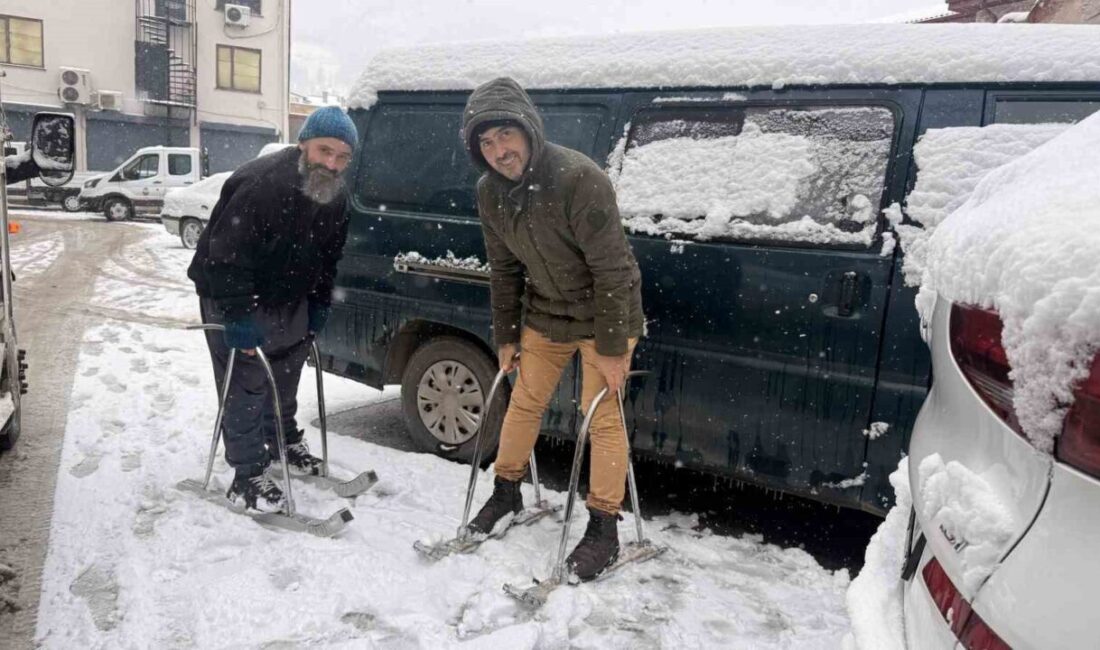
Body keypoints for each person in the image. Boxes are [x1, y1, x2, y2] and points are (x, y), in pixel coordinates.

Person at [461, 77, 645, 580]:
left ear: (528, 128)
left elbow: (612, 270)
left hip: (607, 313)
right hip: (547, 312)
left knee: (600, 416)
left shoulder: (578, 179)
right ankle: (506, 493)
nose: (499, 150)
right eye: (486, 142)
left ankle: (603, 528)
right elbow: (504, 269)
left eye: (505, 134)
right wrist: (506, 336)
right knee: (524, 401)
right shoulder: (489, 193)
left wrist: (612, 348)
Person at [187, 106, 357, 512]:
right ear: (303, 144)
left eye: (342, 156)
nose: (332, 163)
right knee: (245, 379)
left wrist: (319, 303)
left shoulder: (337, 198)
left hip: (289, 294)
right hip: (233, 292)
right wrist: (238, 317)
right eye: (324, 151)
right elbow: (226, 256)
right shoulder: (261, 184)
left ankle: (280, 441)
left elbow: (329, 258)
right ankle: (247, 474)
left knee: (285, 372)